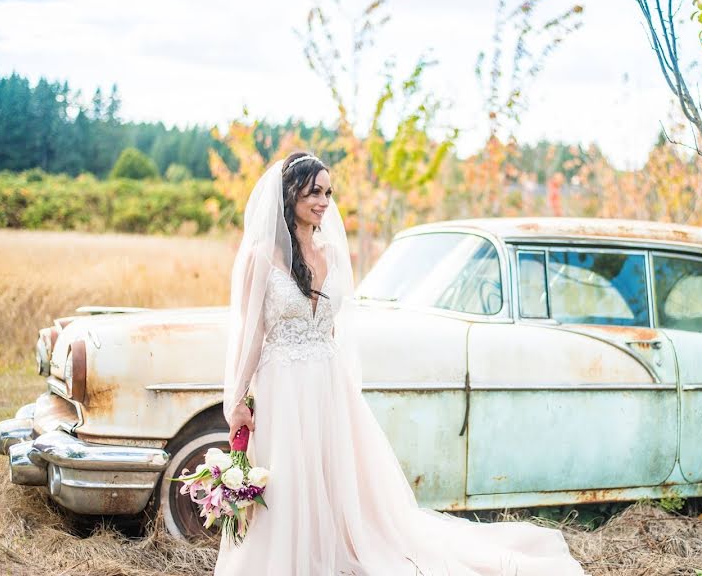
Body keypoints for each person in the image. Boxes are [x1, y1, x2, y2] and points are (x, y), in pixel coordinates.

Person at [214, 151, 586, 575]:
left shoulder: (333, 253)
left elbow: (333, 328)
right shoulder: (260, 256)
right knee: (288, 481)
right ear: (289, 193)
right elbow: (249, 335)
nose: (323, 201)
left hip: (328, 384)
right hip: (282, 383)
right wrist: (238, 399)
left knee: (336, 480)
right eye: (314, 191)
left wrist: (341, 390)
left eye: (328, 192)